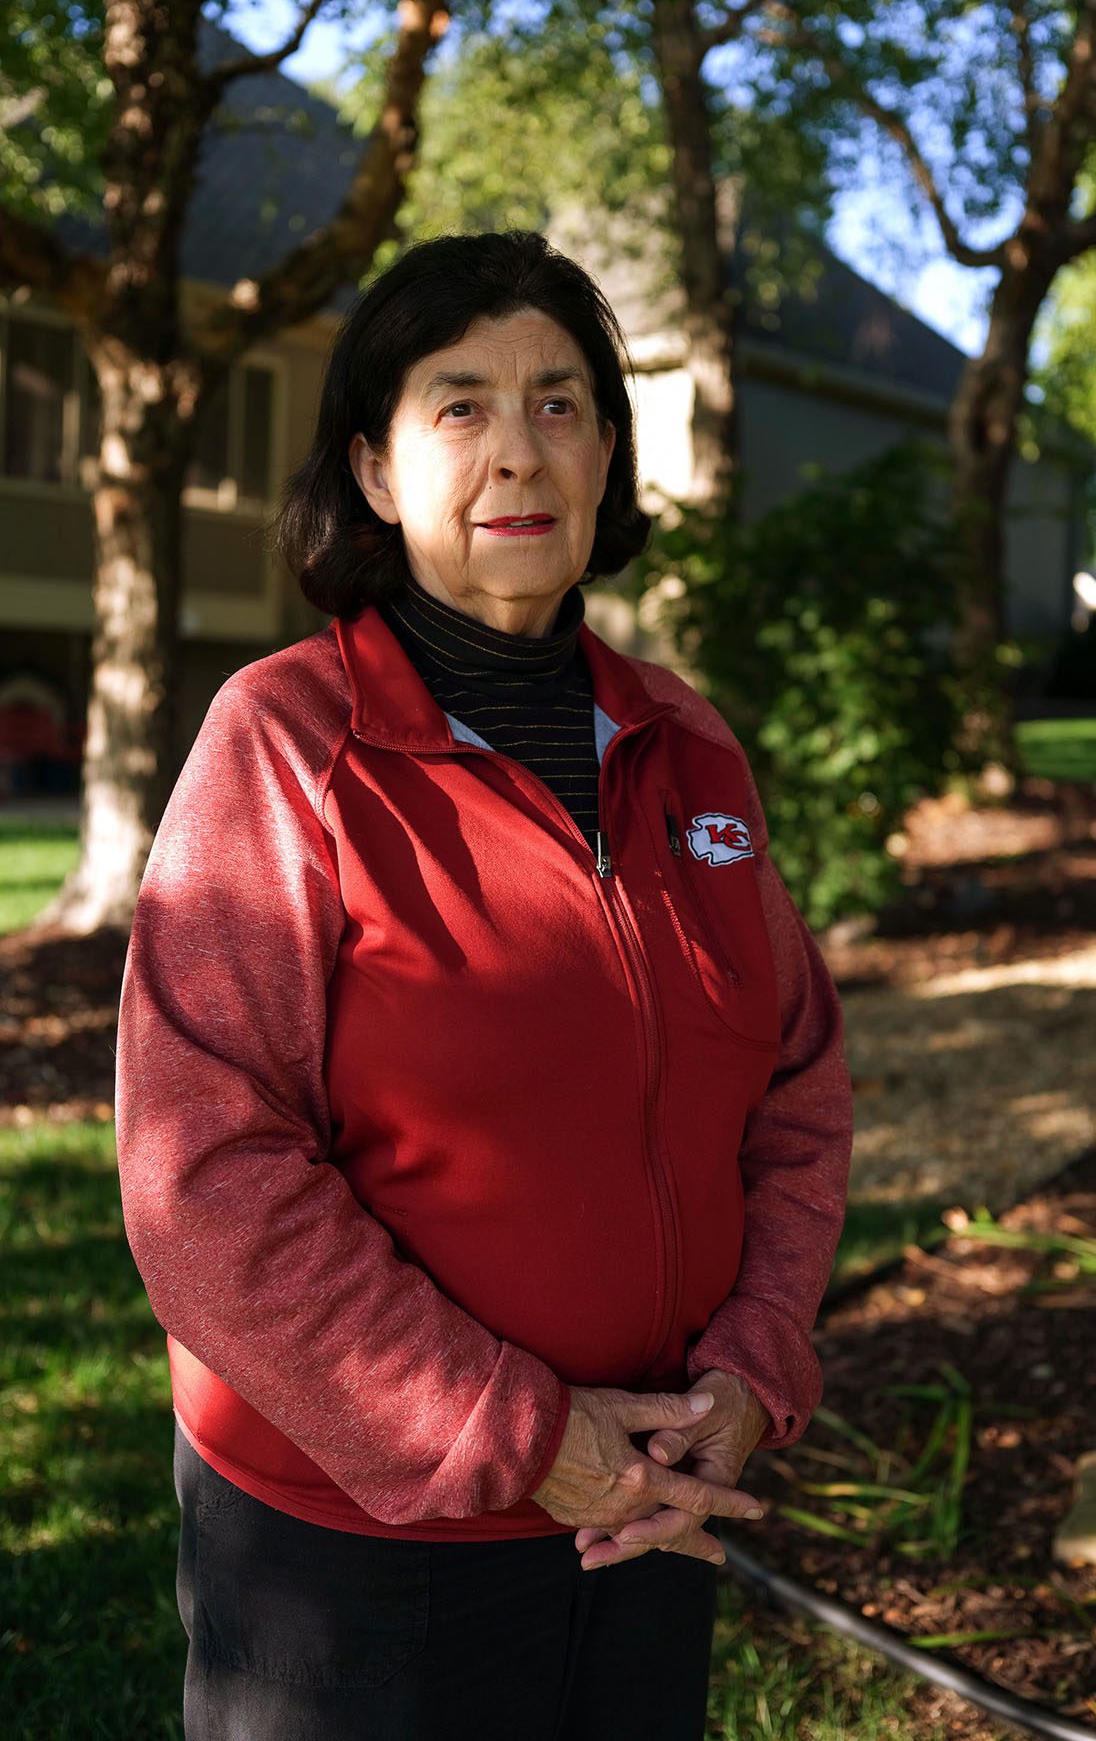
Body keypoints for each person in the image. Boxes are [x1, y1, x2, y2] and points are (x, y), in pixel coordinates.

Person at [114, 229, 853, 1741]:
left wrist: (749, 1377)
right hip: (363, 1556)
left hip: (650, 1504)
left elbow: (796, 1089)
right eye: (459, 403)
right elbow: (203, 1174)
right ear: (376, 473)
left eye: (563, 403)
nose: (521, 448)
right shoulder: (282, 744)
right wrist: (511, 1432)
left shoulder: (687, 745)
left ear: (607, 458)